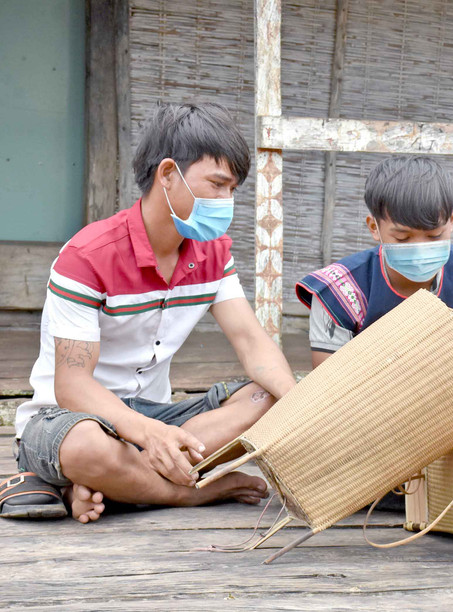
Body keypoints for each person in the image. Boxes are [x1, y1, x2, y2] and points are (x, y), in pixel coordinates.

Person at [1, 103, 296, 524]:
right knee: (87, 446)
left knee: (266, 396)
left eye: (233, 190)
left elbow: (253, 344)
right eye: (217, 185)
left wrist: (301, 405)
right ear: (169, 174)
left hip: (156, 416)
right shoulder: (87, 257)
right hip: (67, 420)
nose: (226, 201)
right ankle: (191, 493)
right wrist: (148, 434)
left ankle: (115, 485)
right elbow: (72, 386)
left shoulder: (213, 254)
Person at [296, 156, 453, 403]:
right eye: (403, 238)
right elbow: (328, 390)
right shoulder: (338, 292)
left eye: (433, 235)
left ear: (451, 219)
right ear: (374, 227)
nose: (419, 249)